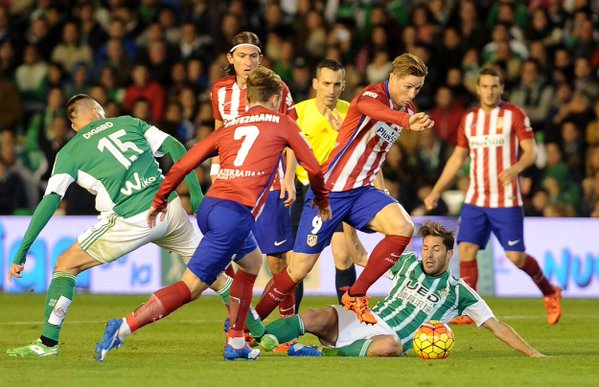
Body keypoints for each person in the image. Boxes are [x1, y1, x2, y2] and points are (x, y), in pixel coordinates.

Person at [95, 67, 331, 361]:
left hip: (211, 206)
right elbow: (314, 167)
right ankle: (123, 328)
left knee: (252, 263)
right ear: (275, 98)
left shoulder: (229, 128)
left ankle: (236, 341)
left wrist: (161, 198)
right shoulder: (282, 123)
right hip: (234, 215)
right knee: (191, 287)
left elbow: (183, 164)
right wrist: (322, 200)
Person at [5, 94, 234, 358]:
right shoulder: (128, 122)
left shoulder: (69, 152)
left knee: (65, 265)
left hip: (131, 218)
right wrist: (195, 194)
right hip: (170, 208)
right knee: (213, 273)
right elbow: (176, 146)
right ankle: (256, 332)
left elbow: (50, 201)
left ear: (74, 126)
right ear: (98, 110)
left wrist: (23, 251)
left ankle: (47, 343)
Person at [255, 53, 434, 325]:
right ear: (392, 78)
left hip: (361, 192)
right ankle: (249, 323)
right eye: (407, 86)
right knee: (297, 269)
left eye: (417, 88)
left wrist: (382, 192)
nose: (411, 94)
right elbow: (375, 112)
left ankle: (356, 294)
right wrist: (406, 122)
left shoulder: (406, 111)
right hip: (330, 193)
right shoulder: (371, 96)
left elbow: (376, 152)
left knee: (403, 227)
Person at [263, 221, 544, 358]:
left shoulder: (459, 291)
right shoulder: (407, 262)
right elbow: (362, 258)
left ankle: (314, 354)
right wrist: (348, 225)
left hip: (385, 339)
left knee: (392, 346)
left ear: (449, 254)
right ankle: (255, 337)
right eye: (425, 248)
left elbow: (496, 325)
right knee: (317, 315)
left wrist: (533, 354)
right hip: (364, 319)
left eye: (436, 250)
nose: (429, 255)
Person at [424, 67, 562, 326]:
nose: (489, 91)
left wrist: (517, 168)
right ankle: (467, 310)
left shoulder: (514, 115)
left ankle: (551, 292)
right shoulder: (469, 119)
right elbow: (457, 157)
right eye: (485, 86)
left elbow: (531, 151)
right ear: (478, 89)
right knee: (465, 250)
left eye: (494, 86)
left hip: (506, 200)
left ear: (501, 88)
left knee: (516, 258)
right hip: (476, 199)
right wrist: (436, 190)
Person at [210, 31, 298, 319]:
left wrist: (289, 179)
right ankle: (240, 320)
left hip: (271, 183)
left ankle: (286, 323)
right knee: (226, 255)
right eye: (242, 56)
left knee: (276, 260)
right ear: (230, 58)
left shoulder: (279, 89)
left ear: (261, 59)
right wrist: (215, 172)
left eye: (254, 56)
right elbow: (219, 132)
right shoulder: (219, 91)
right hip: (232, 185)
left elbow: (293, 136)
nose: (248, 62)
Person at [290, 58, 369, 308]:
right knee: (297, 264)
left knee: (343, 256)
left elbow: (364, 151)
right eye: (326, 83)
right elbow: (288, 149)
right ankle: (289, 326)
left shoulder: (352, 112)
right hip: (305, 192)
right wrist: (286, 178)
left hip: (339, 192)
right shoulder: (299, 112)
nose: (331, 90)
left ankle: (349, 322)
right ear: (315, 84)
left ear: (343, 85)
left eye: (337, 84)